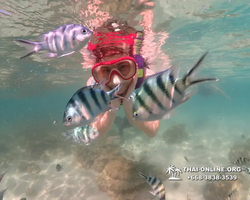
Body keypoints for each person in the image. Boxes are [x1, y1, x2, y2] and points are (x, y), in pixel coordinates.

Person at [84, 19, 160, 138]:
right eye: (107, 70)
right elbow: (97, 132)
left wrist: (128, 105)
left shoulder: (147, 80)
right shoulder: (95, 86)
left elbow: (152, 131)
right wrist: (113, 108)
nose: (116, 80)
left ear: (134, 67)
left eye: (123, 67)